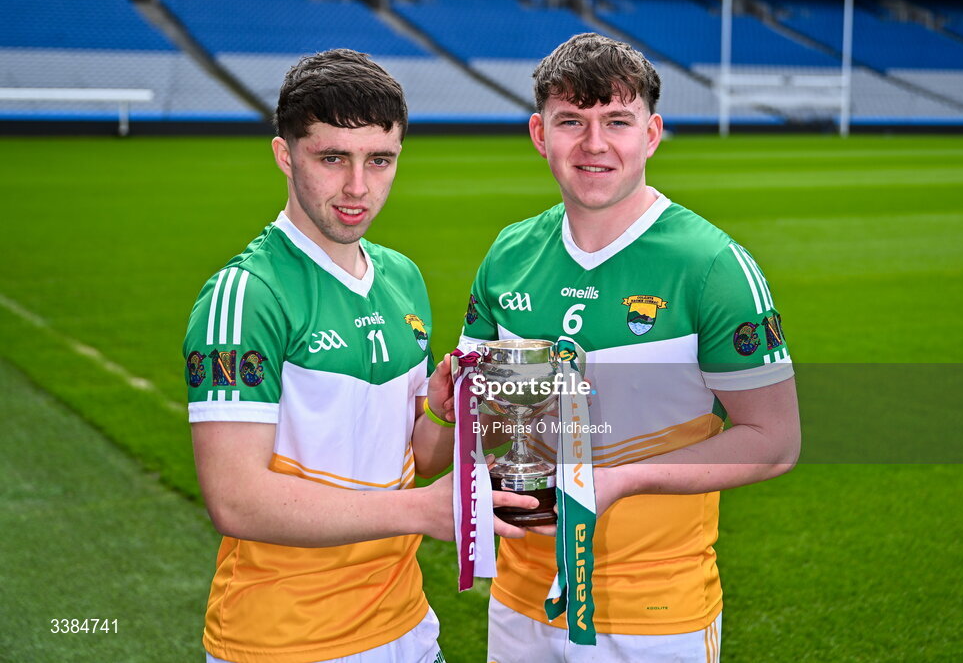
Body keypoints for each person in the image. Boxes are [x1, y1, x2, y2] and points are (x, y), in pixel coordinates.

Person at [182, 49, 533, 663]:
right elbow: (234, 498)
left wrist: (451, 413)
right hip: (286, 641)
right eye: (332, 158)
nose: (357, 187)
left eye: (380, 160)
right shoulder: (245, 296)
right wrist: (425, 511)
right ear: (285, 155)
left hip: (408, 628)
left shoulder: (402, 277)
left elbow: (418, 456)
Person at [460, 33, 801, 662]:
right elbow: (470, 414)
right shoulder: (508, 255)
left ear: (651, 133)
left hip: (656, 616)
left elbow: (774, 440)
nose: (594, 144)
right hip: (517, 604)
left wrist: (617, 480)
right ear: (540, 133)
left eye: (617, 120)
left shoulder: (713, 266)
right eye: (572, 122)